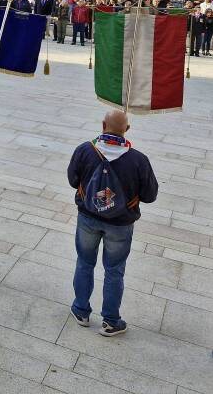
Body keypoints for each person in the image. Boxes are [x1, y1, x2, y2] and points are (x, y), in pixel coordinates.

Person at [67, 110, 158, 336]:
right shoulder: (138, 159)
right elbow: (150, 194)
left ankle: (81, 310)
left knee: (84, 263)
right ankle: (110, 320)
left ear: (103, 124)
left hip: (88, 217)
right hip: (120, 223)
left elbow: (72, 180)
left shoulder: (84, 150)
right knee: (114, 271)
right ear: (127, 130)